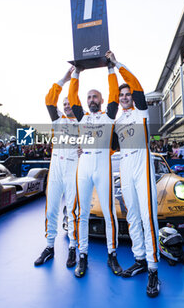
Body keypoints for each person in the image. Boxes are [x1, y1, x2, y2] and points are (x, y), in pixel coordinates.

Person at [106, 51, 160, 298]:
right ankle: (139, 258)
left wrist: (116, 65)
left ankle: (153, 269)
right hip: (125, 169)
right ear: (119, 99)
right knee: (132, 217)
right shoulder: (117, 121)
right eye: (122, 95)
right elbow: (110, 147)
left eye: (128, 95)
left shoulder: (141, 112)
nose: (126, 97)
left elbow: (136, 85)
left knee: (148, 219)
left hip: (143, 168)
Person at [68, 59, 122, 278]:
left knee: (109, 214)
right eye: (88, 97)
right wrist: (76, 74)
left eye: (94, 96)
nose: (91, 99)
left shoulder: (109, 115)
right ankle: (83, 256)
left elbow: (115, 94)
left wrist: (110, 68)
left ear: (101, 100)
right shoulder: (81, 117)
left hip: (103, 167)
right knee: (82, 214)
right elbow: (72, 99)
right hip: (85, 166)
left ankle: (112, 254)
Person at [35, 66, 79, 268]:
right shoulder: (57, 119)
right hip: (56, 169)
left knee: (72, 209)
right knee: (51, 208)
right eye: (65, 103)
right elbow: (48, 100)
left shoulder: (83, 121)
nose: (67, 105)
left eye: (70, 102)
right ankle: (49, 246)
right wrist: (64, 79)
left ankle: (73, 247)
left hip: (73, 169)